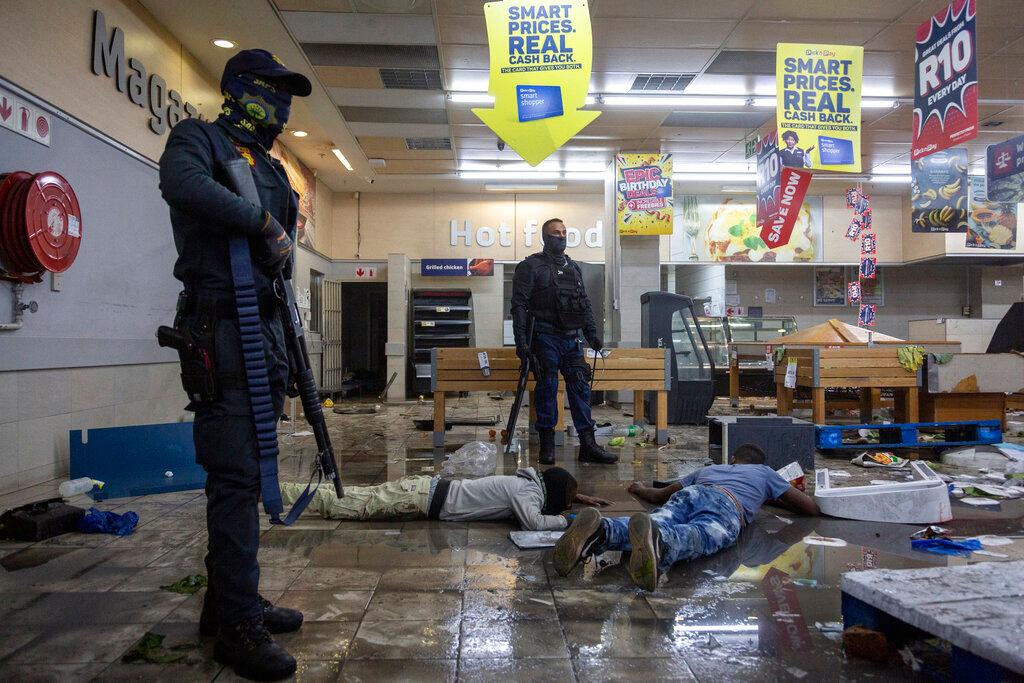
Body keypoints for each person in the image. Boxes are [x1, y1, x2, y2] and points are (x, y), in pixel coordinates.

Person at [159, 49, 313, 681]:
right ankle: (236, 630)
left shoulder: (271, 166)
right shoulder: (197, 139)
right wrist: (260, 222)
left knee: (245, 475)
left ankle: (228, 603)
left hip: (265, 330)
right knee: (234, 477)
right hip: (221, 328)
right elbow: (183, 186)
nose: (282, 103)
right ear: (244, 89)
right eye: (274, 89)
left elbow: (281, 250)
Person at [553, 444, 820, 590]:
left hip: (693, 492)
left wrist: (639, 488)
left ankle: (601, 530)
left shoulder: (712, 469)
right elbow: (808, 508)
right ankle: (661, 544)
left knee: (659, 517)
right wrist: (770, 495)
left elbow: (661, 495)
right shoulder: (764, 472)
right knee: (700, 533)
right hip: (727, 504)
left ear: (734, 459)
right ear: (759, 463)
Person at [511, 218, 616, 466]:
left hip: (572, 338)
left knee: (580, 387)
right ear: (546, 238)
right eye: (556, 233)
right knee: (547, 388)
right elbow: (519, 306)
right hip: (544, 337)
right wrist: (522, 345)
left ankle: (588, 444)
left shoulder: (573, 267)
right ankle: (547, 445)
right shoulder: (531, 267)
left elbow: (584, 303)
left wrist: (592, 334)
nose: (561, 237)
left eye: (564, 233)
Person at [280, 466, 610, 530]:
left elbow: (545, 496)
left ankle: (274, 491)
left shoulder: (528, 483)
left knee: (353, 496)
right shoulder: (525, 491)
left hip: (425, 492)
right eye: (564, 498)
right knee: (349, 505)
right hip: (420, 498)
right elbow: (535, 521)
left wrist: (577, 497)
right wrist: (567, 519)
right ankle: (275, 493)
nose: (567, 503)